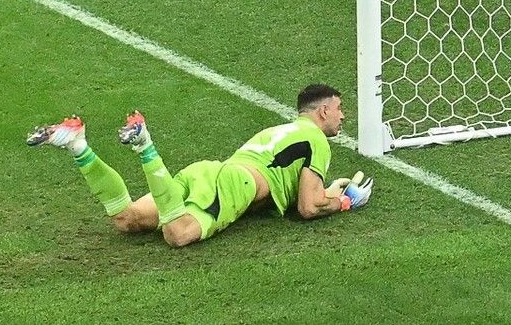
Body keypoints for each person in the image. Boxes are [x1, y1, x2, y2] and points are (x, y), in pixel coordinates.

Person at [26, 84, 373, 247]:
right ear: (323, 111)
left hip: (206, 173)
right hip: (234, 185)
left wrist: (327, 190)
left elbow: (296, 186)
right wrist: (344, 202)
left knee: (127, 218)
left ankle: (78, 145)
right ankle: (145, 145)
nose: (343, 116)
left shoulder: (279, 130)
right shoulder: (315, 139)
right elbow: (308, 207)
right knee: (177, 234)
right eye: (340, 109)